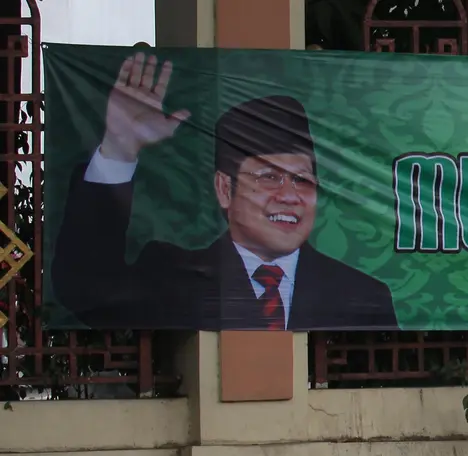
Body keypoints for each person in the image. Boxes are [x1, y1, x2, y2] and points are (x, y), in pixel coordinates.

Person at [51, 52, 398, 331]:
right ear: (223, 188)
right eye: (268, 177)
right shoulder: (172, 275)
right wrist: (119, 148)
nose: (289, 195)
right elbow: (86, 295)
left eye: (302, 180)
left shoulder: (363, 296)